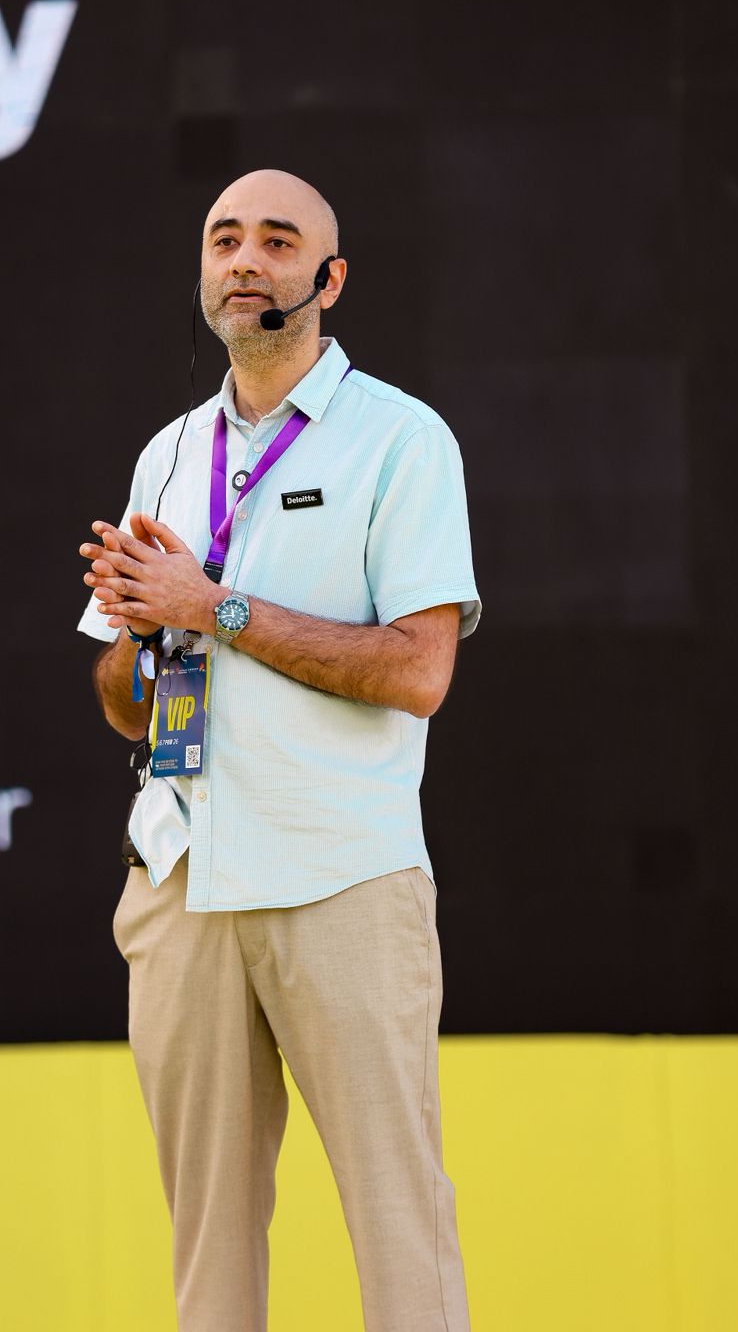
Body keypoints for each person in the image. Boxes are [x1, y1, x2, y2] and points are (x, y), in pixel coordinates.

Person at [77, 168, 481, 1332]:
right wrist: (143, 629)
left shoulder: (402, 438)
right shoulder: (168, 454)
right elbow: (121, 704)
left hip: (339, 869)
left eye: (277, 239)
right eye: (224, 239)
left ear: (329, 279)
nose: (246, 259)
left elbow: (420, 671)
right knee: (207, 1240)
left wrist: (214, 606)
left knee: (398, 1219)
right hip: (182, 874)